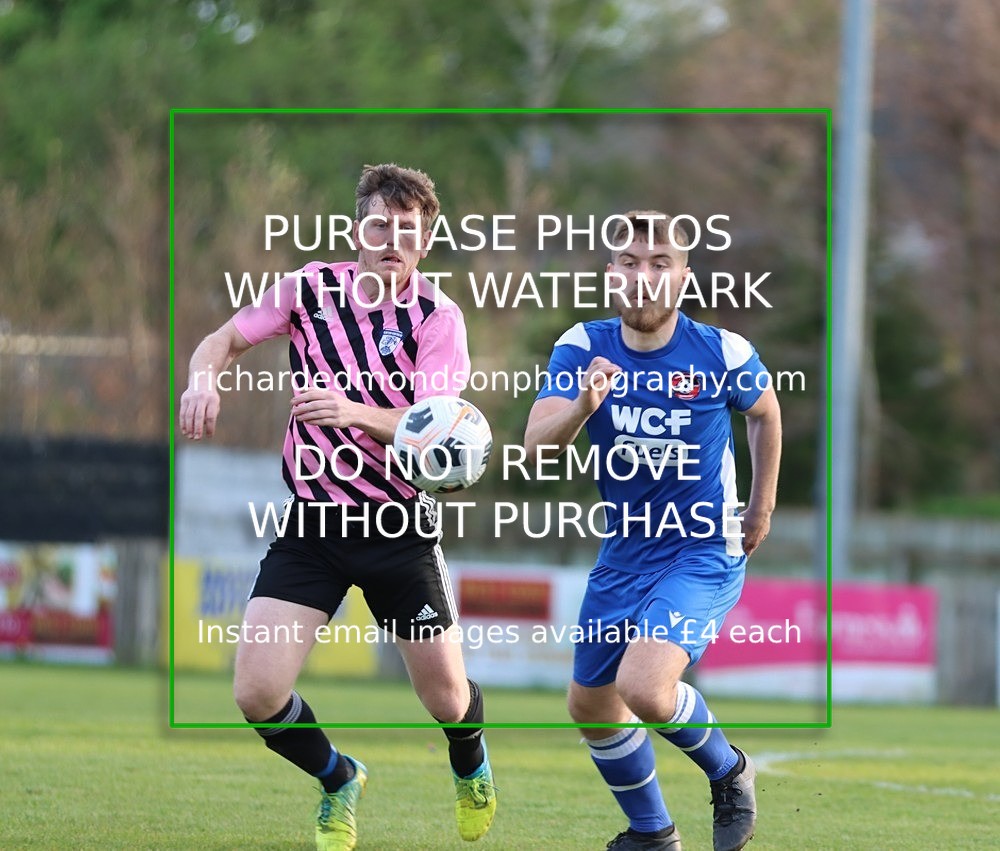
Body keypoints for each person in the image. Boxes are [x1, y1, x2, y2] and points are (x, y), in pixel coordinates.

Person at [179, 163, 496, 851]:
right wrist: (201, 379)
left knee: (445, 698)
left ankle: (469, 757)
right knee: (256, 692)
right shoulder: (309, 288)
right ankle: (337, 777)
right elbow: (224, 337)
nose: (391, 239)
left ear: (426, 238)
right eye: (380, 224)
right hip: (314, 524)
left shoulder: (438, 318)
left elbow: (435, 422)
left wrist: (349, 410)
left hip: (398, 527)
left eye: (407, 230)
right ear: (358, 229)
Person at [524, 211, 781, 851]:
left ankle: (730, 772)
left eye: (660, 264)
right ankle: (652, 834)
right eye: (631, 263)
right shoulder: (581, 348)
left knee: (643, 687)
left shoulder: (723, 352)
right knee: (590, 706)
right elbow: (535, 446)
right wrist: (583, 406)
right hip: (625, 551)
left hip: (703, 549)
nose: (645, 278)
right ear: (613, 275)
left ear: (683, 278)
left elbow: (766, 414)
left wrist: (760, 508)